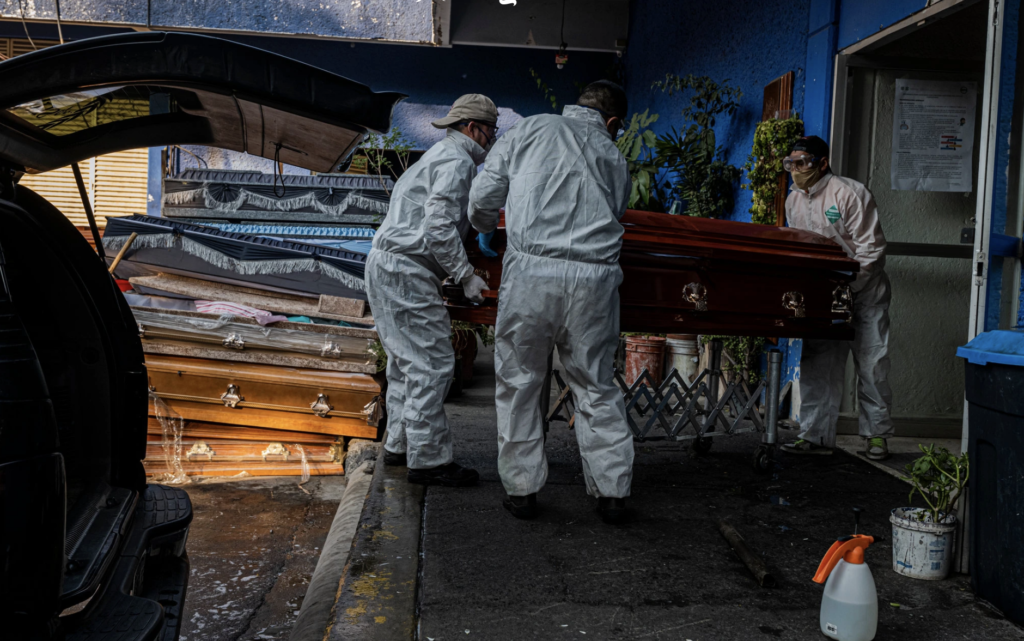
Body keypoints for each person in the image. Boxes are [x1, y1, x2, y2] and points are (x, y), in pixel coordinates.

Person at [468, 81, 634, 523]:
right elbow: (616, 211)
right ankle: (613, 493)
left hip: (532, 273)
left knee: (521, 382)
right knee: (596, 385)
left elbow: (483, 198)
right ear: (612, 123)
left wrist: (485, 227)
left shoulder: (531, 129)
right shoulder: (614, 155)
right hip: (595, 281)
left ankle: (522, 491)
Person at [364, 94, 498, 486]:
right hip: (406, 268)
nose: (492, 140)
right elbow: (439, 227)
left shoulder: (438, 156)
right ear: (473, 129)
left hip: (389, 264)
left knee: (407, 363)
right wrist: (466, 273)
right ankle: (429, 462)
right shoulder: (457, 162)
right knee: (433, 362)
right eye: (491, 131)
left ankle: (399, 446)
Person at [779, 135, 893, 461]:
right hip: (825, 294)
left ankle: (877, 436)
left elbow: (872, 250)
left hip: (865, 291)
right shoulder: (794, 202)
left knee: (872, 363)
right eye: (791, 164)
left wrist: (849, 288)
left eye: (802, 163)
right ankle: (814, 435)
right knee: (818, 362)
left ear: (822, 163)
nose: (795, 170)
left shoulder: (849, 194)